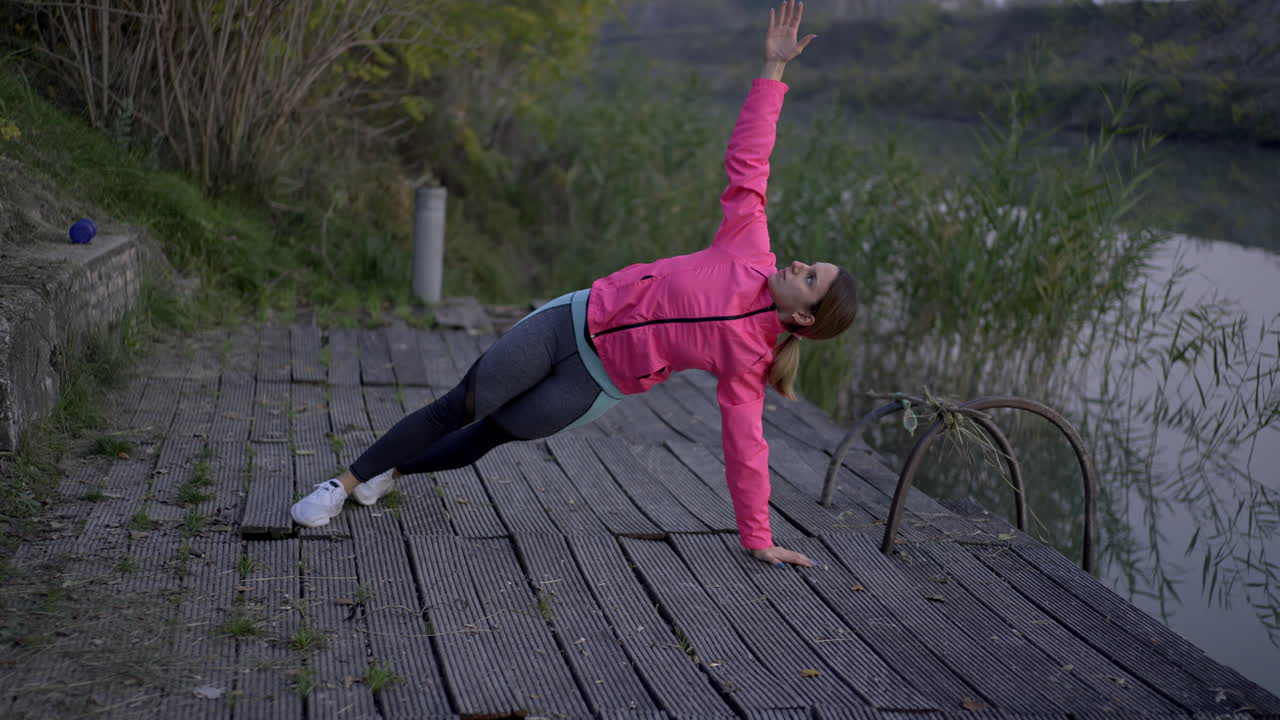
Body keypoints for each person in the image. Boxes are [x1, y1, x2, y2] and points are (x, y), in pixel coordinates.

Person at [291, 0, 857, 568]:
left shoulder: (749, 364)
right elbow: (751, 159)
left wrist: (758, 538)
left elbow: (747, 451)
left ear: (805, 317)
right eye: (811, 265)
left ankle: (391, 469)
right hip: (571, 323)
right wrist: (774, 71)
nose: (799, 266)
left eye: (810, 278)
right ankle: (338, 486)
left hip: (595, 384)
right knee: (460, 405)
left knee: (490, 434)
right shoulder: (749, 247)